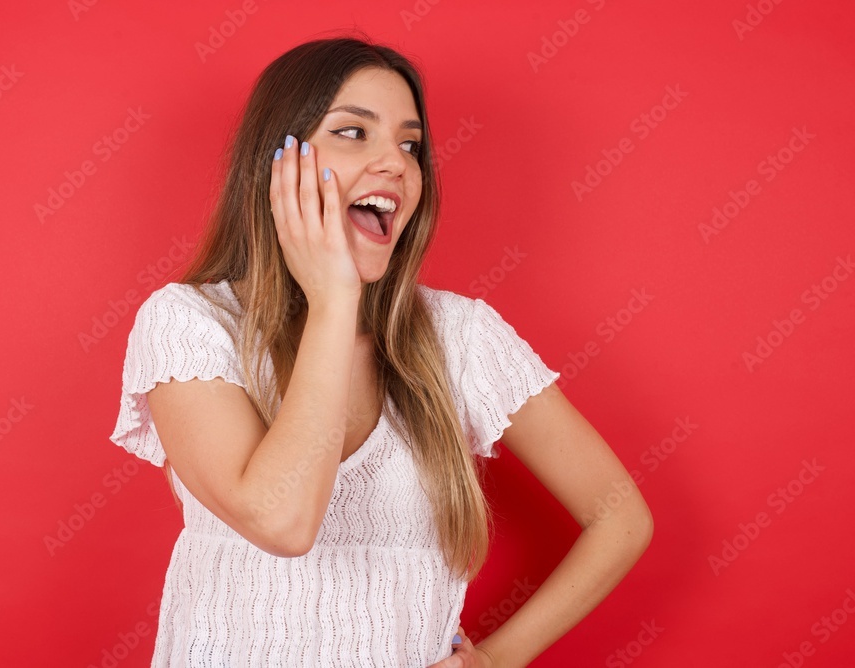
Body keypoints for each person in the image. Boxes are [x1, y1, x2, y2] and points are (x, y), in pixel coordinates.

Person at [109, 33, 653, 668]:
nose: (395, 163)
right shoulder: (189, 324)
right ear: (275, 162)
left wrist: (496, 660)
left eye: (409, 145)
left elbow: (620, 518)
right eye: (353, 131)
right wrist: (334, 300)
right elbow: (282, 522)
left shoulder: (461, 336)